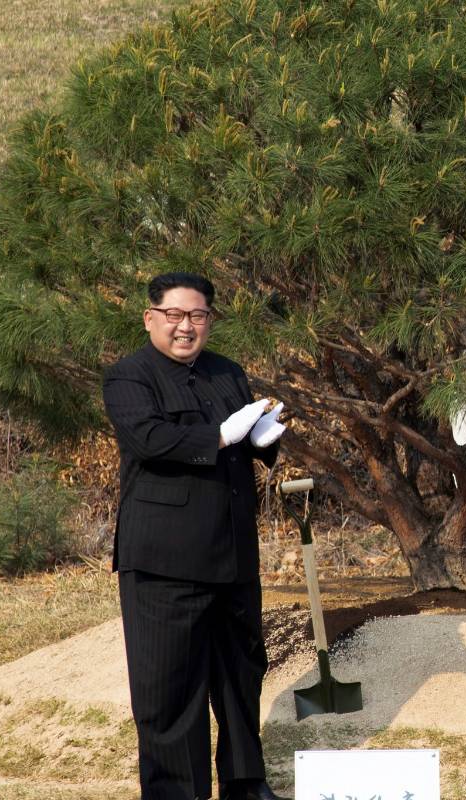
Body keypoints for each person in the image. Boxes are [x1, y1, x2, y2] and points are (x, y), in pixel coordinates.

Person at [103, 272, 288, 800]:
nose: (186, 327)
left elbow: (246, 443)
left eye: (198, 316)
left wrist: (263, 442)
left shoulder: (227, 373)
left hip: (231, 554)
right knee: (169, 687)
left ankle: (246, 783)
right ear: (151, 318)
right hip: (165, 560)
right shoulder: (129, 378)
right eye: (175, 316)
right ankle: (177, 792)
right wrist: (222, 434)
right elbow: (151, 440)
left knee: (241, 672)